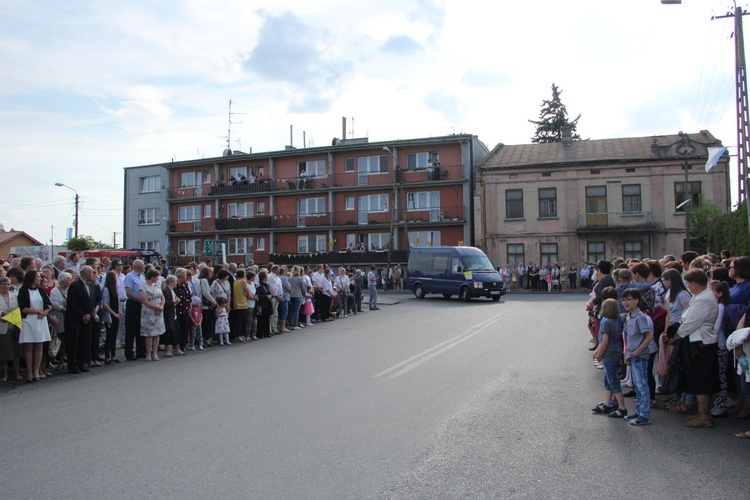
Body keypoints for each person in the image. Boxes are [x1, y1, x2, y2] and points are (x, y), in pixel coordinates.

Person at [671, 269, 720, 428]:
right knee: (697, 380)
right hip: (697, 341)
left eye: (689, 284)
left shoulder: (704, 299)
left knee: (702, 381)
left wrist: (676, 336)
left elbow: (691, 322)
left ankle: (704, 416)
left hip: (702, 343)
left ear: (693, 283)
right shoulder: (699, 296)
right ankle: (701, 414)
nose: (688, 287)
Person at [622, 287, 654, 426]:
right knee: (636, 385)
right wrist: (626, 354)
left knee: (642, 385)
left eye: (628, 299)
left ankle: (644, 415)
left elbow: (649, 336)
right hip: (632, 354)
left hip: (640, 355)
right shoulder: (629, 316)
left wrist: (639, 350)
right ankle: (639, 410)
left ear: (636, 300)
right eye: (623, 300)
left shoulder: (640, 317)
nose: (625, 302)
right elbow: (627, 337)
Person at [592, 298, 628, 418]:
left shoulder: (606, 322)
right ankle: (607, 403)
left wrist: (599, 354)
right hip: (615, 351)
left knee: (613, 380)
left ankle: (622, 407)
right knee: (608, 380)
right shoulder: (615, 320)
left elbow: (605, 341)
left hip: (609, 353)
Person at [18, 269, 52, 382]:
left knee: (39, 346)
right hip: (29, 320)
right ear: (32, 278)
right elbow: (23, 308)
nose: (40, 278)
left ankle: (36, 370)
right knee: (28, 347)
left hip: (40, 320)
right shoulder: (23, 290)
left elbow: (48, 305)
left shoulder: (41, 290)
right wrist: (38, 311)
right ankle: (29, 371)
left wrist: (44, 313)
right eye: (38, 276)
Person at [65, 266, 95, 374]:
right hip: (75, 319)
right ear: (86, 273)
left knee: (84, 341)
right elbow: (73, 304)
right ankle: (72, 365)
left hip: (87, 318)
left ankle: (81, 363)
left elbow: (92, 301)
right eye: (91, 273)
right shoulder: (75, 285)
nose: (92, 275)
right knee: (74, 343)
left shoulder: (90, 285)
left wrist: (89, 315)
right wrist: (82, 316)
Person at [139, 269, 165, 361]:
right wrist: (156, 307)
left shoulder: (157, 285)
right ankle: (148, 354)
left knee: (157, 333)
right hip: (149, 312)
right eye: (157, 277)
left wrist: (161, 306)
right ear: (152, 277)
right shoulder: (143, 288)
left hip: (158, 312)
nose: (158, 278)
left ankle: (155, 353)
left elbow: (162, 297)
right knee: (149, 334)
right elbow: (145, 301)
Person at [124, 259, 146, 360]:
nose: (144, 267)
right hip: (133, 304)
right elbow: (128, 292)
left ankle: (141, 351)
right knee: (131, 329)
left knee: (140, 328)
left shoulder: (142, 277)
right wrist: (139, 300)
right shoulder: (129, 276)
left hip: (142, 304)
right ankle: (129, 352)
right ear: (137, 266)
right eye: (143, 266)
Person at [0, 276, 21, 382]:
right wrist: (2, 314)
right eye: (4, 284)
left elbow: (18, 308)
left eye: (8, 284)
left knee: (16, 350)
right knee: (4, 351)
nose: (6, 286)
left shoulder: (14, 296)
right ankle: (5, 374)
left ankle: (16, 372)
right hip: (3, 325)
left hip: (14, 325)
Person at [100, 271, 122, 364]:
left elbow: (118, 302)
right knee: (109, 336)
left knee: (114, 336)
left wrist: (120, 312)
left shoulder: (115, 289)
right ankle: (107, 357)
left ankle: (113, 356)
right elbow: (105, 304)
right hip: (111, 315)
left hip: (116, 314)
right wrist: (114, 313)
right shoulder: (106, 289)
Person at [161, 275, 183, 357]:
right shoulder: (165, 291)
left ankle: (177, 348)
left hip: (173, 313)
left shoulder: (172, 290)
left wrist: (176, 300)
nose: (176, 283)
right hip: (168, 313)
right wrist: (173, 301)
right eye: (175, 281)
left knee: (177, 330)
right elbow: (165, 303)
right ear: (171, 282)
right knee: (168, 331)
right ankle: (167, 350)